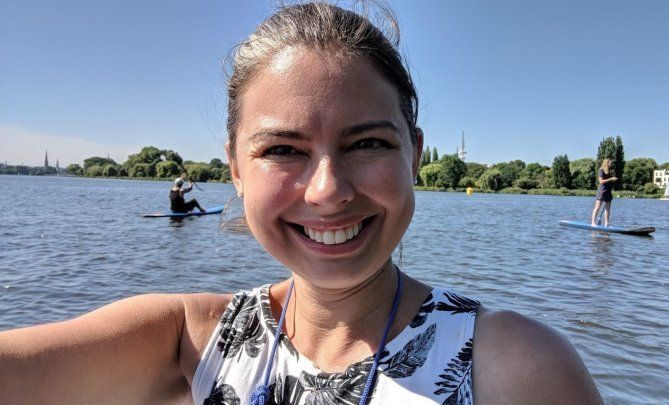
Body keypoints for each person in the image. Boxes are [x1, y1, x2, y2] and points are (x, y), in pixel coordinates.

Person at [0, 3, 603, 404]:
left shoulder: (513, 365)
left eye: (366, 142)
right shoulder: (188, 339)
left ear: (414, 155)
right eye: (283, 150)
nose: (328, 191)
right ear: (235, 169)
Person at [590, 159, 618, 227]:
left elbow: (608, 181)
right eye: (610, 163)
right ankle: (593, 223)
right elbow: (601, 181)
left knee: (607, 209)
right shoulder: (601, 170)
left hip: (608, 192)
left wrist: (613, 180)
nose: (611, 164)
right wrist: (611, 179)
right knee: (597, 207)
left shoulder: (609, 172)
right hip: (602, 191)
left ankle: (606, 224)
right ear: (606, 163)